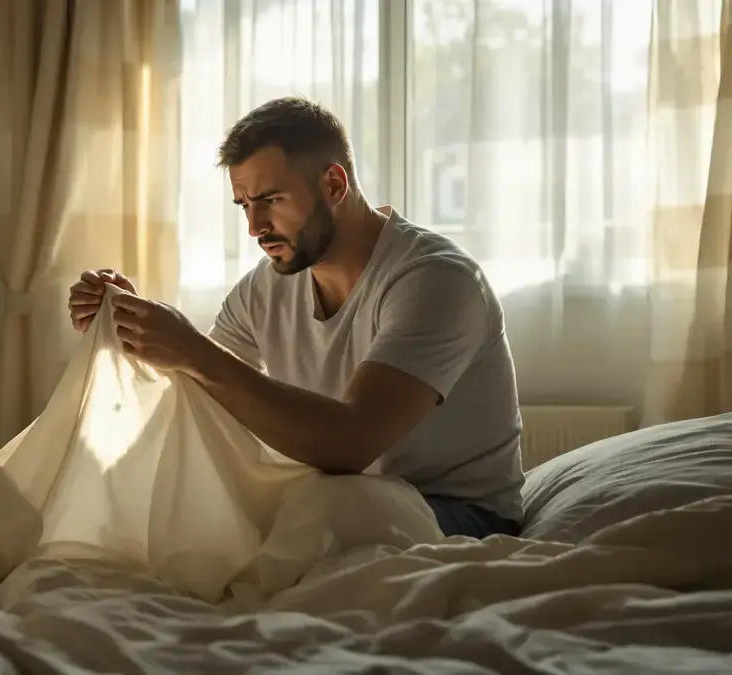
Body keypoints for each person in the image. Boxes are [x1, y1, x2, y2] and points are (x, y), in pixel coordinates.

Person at [67, 97, 524, 538]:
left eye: (271, 200)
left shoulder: (435, 280)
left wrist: (194, 351)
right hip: (341, 498)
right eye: (244, 205)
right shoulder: (264, 288)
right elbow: (201, 400)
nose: (255, 227)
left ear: (333, 185)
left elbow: (351, 443)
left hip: (459, 515)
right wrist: (130, 328)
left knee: (326, 507)